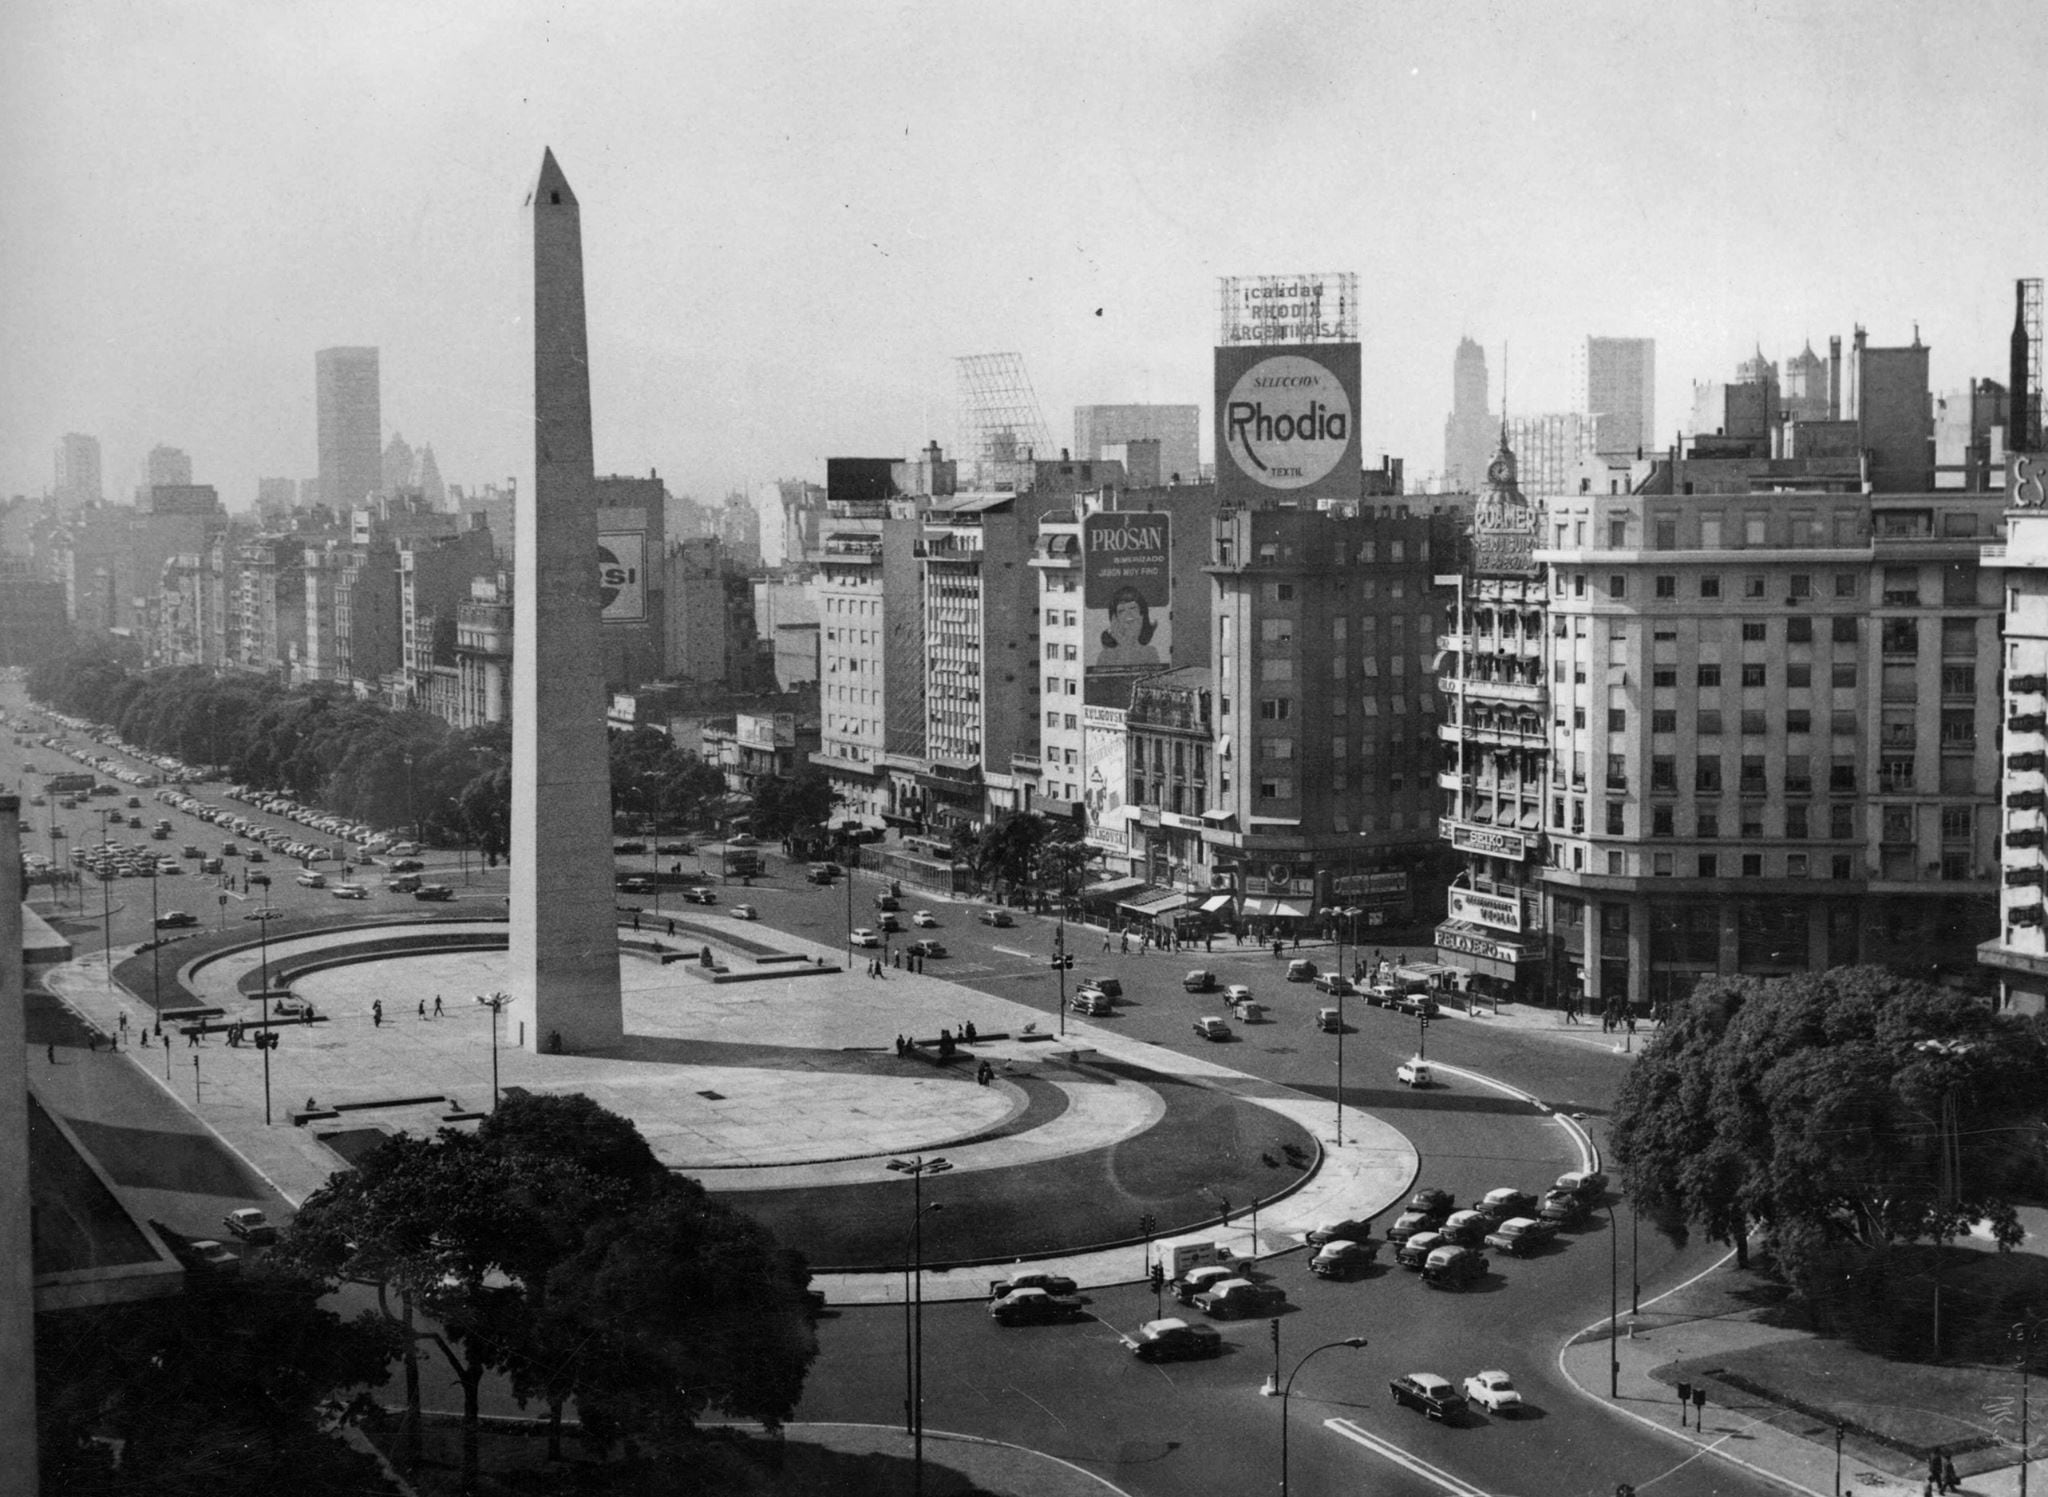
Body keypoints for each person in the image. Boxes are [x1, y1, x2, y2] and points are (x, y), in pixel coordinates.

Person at [1094, 585, 1162, 668]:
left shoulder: (1150, 653)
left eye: (1132, 608)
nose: (1128, 613)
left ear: (1142, 614)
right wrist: (1122, 642)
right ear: (1115, 619)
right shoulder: (1105, 656)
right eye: (1121, 611)